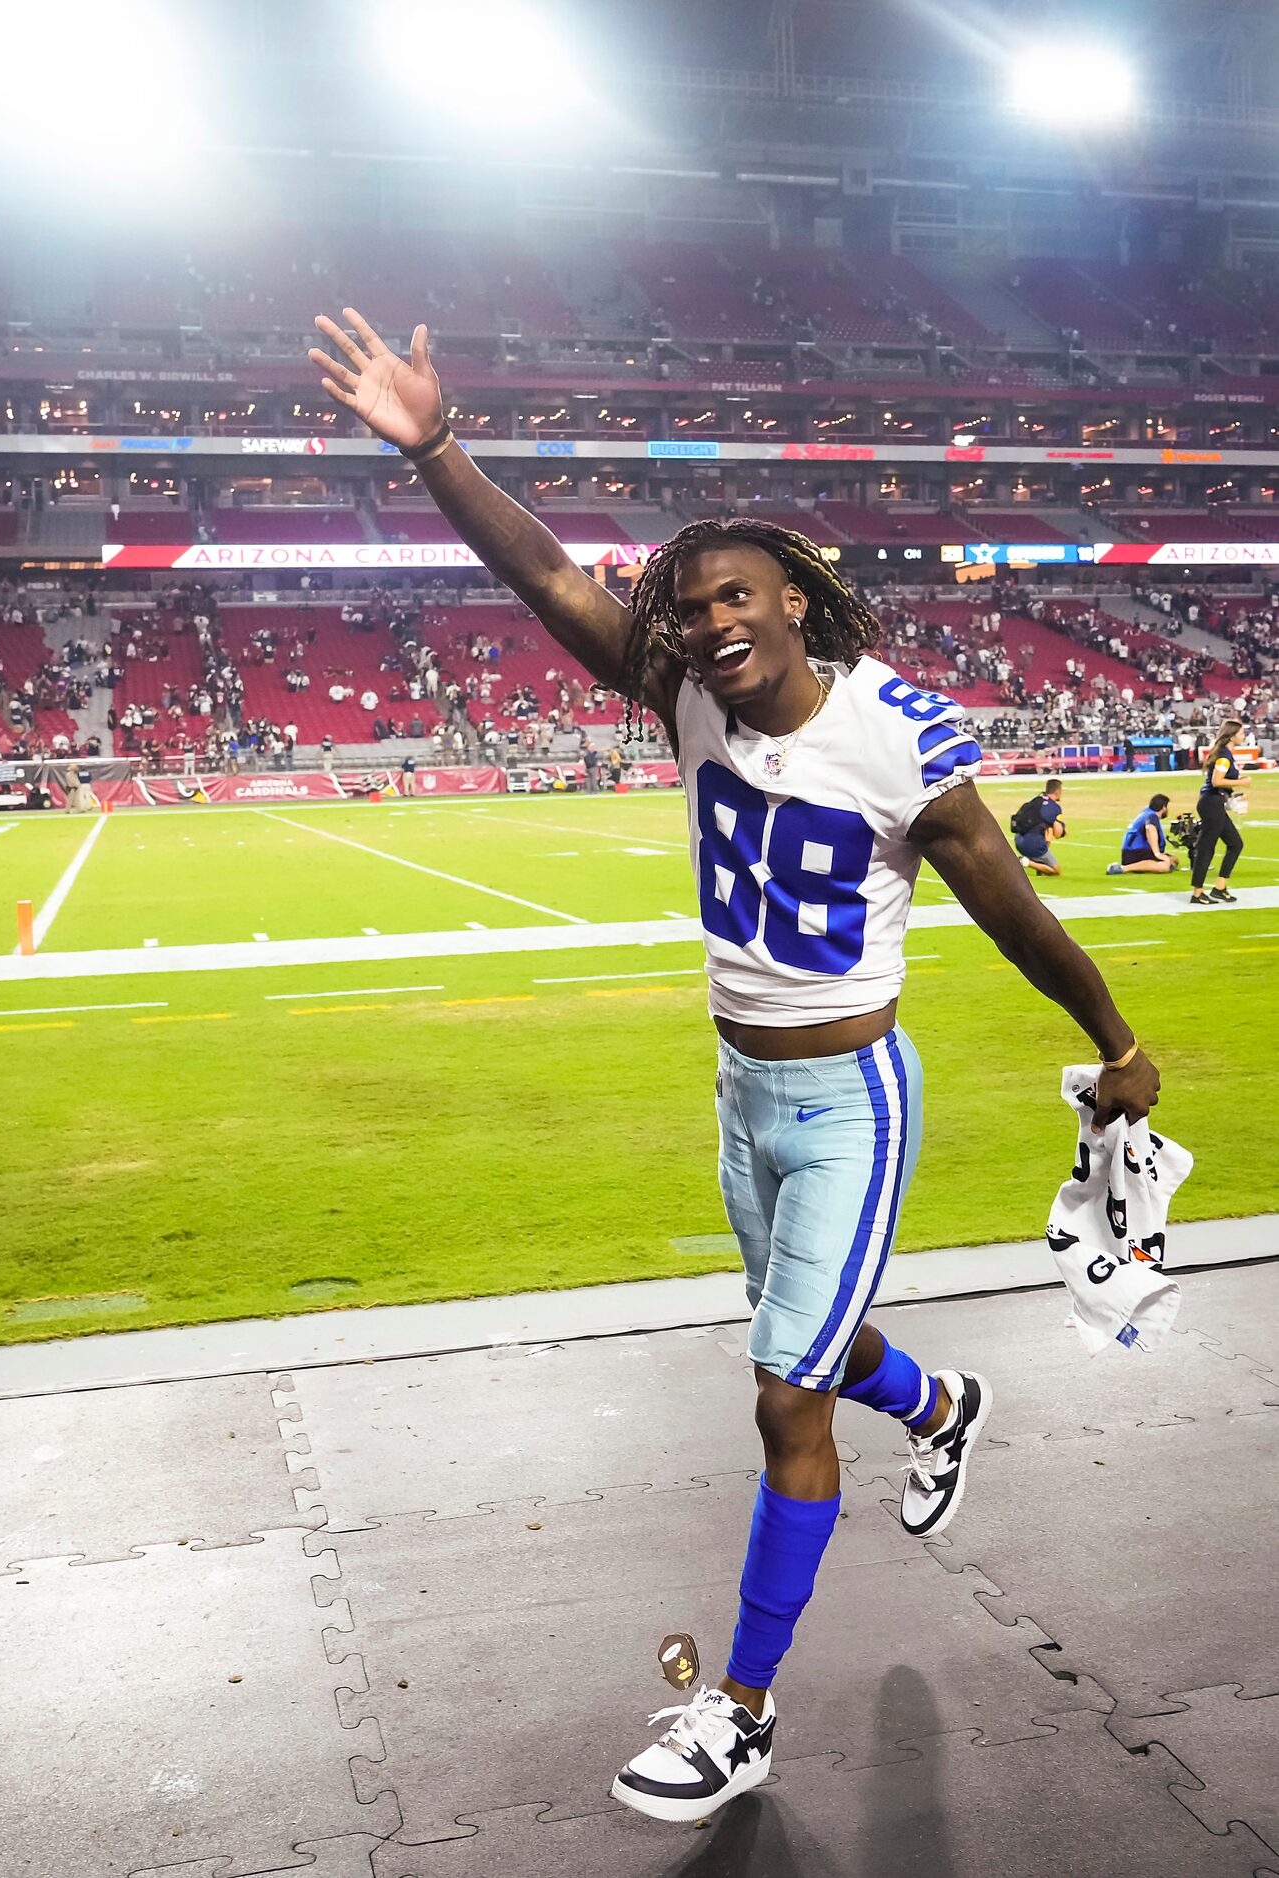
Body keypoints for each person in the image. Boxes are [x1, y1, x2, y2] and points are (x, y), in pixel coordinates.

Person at [309, 306, 1159, 1827]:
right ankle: (944, 1402)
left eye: (736, 595)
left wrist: (1114, 1036)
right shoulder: (681, 694)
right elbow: (551, 576)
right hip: (740, 1092)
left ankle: (744, 1712)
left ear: (798, 604)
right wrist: (436, 447)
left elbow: (1009, 907)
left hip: (849, 1098)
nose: (707, 620)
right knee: (816, 1355)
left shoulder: (898, 739)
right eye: (689, 601)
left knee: (780, 1398)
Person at [1188, 719, 1245, 906]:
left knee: (1235, 843)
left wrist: (1232, 798)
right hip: (1211, 804)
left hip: (1215, 803)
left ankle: (1220, 887)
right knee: (1207, 847)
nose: (1243, 736)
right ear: (1232, 735)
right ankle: (1197, 892)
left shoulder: (1225, 754)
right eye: (1241, 733)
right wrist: (1242, 782)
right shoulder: (1224, 756)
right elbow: (1216, 781)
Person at [1009, 777, 1065, 876]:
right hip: (1032, 844)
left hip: (1018, 840)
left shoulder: (1035, 800)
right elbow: (1058, 833)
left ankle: (1038, 864)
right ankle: (1026, 862)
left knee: (1045, 831)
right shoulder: (1055, 808)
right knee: (1056, 871)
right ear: (1057, 791)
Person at [1108, 793, 1175, 875]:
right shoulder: (1152, 816)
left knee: (1174, 859)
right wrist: (1157, 853)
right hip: (1136, 852)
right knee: (1165, 866)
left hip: (1132, 851)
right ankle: (1122, 868)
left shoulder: (1146, 812)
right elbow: (1150, 829)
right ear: (1163, 807)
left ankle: (1145, 865)